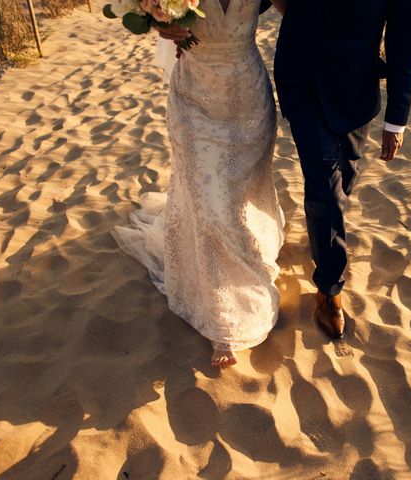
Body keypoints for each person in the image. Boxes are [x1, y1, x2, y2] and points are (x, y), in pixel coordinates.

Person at [112, 0, 287, 369]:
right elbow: (143, 18)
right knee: (208, 203)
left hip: (248, 98)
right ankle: (223, 320)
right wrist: (159, 23)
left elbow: (297, 12)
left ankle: (247, 267)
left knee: (239, 204)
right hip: (193, 96)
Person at [267, 0, 411, 338]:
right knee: (324, 186)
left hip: (356, 89)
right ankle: (330, 289)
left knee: (342, 182)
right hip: (302, 79)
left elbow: (404, 39)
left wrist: (397, 120)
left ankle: (321, 235)